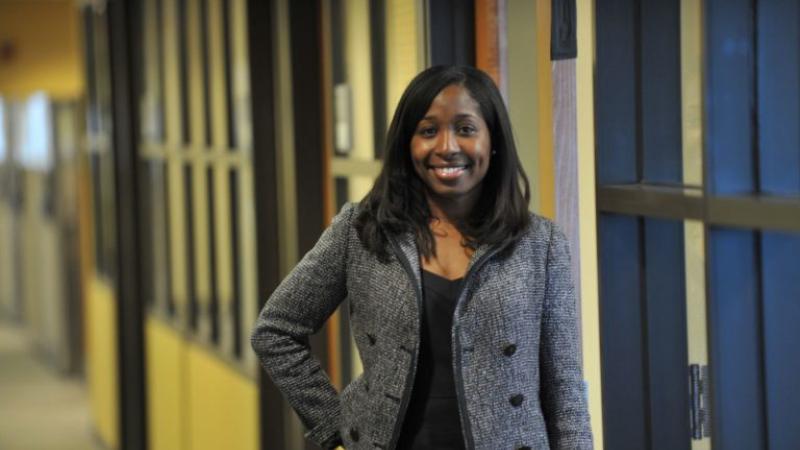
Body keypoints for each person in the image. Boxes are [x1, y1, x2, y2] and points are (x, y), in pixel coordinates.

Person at [251, 65, 592, 450]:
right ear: (407, 143)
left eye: (465, 129)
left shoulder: (540, 243)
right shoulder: (361, 230)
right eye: (428, 131)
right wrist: (336, 425)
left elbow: (564, 386)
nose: (446, 146)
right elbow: (275, 331)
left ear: (492, 141)